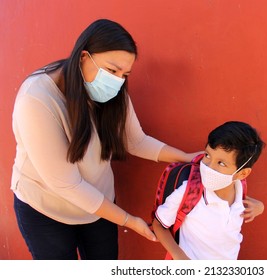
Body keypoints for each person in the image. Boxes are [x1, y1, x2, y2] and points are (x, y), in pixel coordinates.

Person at [10, 18, 203, 260]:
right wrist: (129, 220)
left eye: (125, 74)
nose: (117, 80)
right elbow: (67, 184)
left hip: (99, 206)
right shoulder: (37, 99)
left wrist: (184, 157)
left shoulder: (113, 90)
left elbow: (135, 141)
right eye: (111, 70)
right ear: (83, 57)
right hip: (47, 209)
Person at [153, 121, 265, 260]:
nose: (209, 167)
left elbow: (237, 201)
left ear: (241, 174)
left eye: (221, 163)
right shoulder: (189, 192)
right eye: (207, 155)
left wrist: (260, 207)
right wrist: (179, 257)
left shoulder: (240, 185)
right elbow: (158, 225)